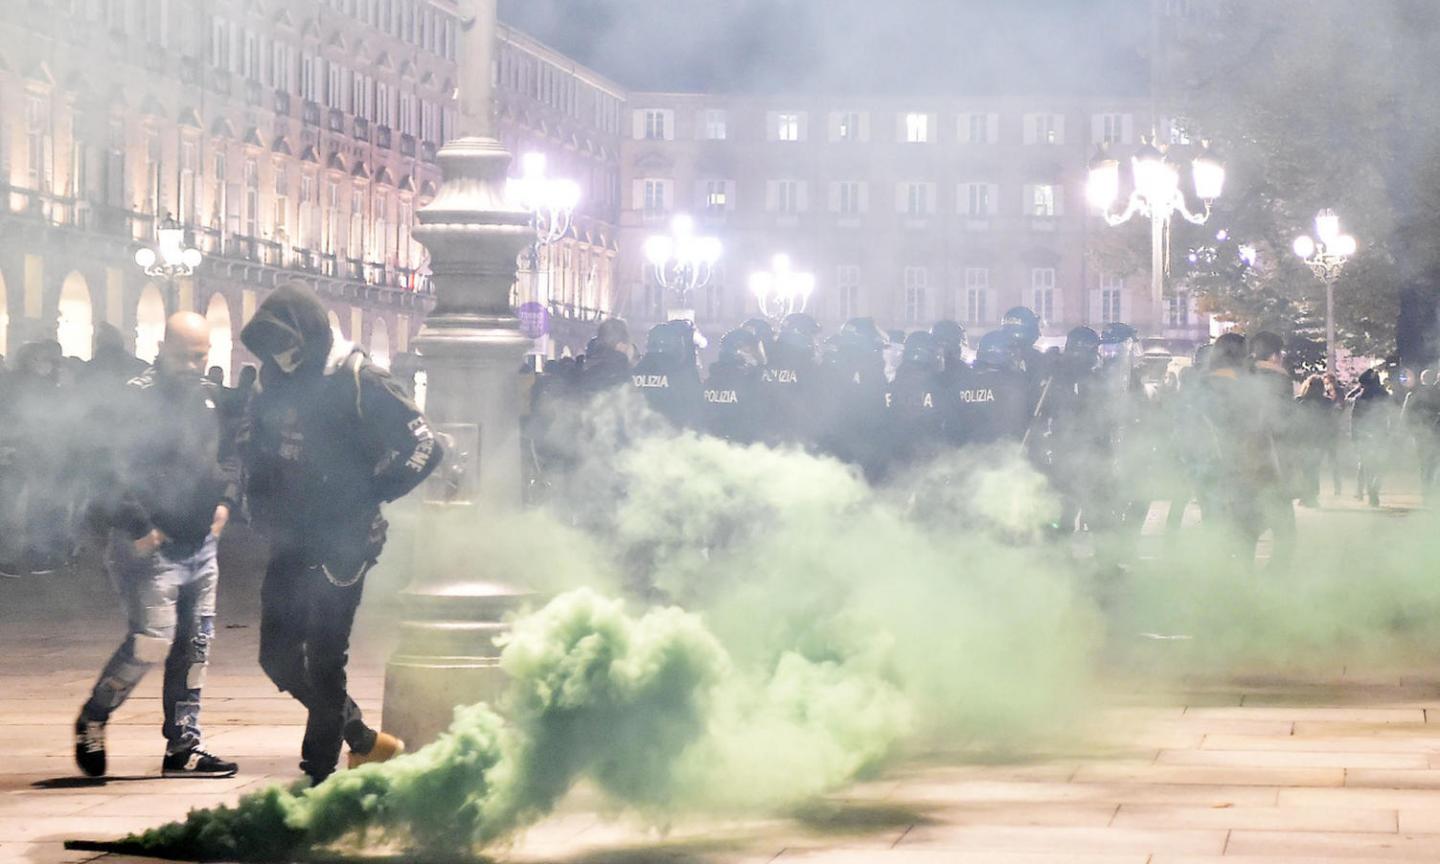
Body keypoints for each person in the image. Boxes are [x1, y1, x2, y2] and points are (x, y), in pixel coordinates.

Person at [238, 282, 443, 785]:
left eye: (287, 346)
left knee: (327, 658)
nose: (282, 358)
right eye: (272, 350)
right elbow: (259, 444)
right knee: (278, 656)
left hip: (346, 538)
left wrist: (374, 492)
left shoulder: (359, 378)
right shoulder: (273, 381)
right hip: (293, 536)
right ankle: (363, 739)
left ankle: (319, 775)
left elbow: (426, 446)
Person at [75, 312, 240, 779]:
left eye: (201, 356)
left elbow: (227, 454)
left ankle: (184, 746)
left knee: (196, 645)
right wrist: (137, 526)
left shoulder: (209, 397)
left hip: (201, 545)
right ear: (162, 347)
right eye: (185, 355)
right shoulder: (135, 399)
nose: (193, 365)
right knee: (152, 642)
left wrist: (226, 500)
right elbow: (105, 465)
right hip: (153, 549)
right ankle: (95, 715)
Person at [631, 320, 704, 431]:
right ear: (676, 344)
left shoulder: (631, 374)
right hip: (671, 443)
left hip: (636, 443)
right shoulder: (681, 376)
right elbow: (696, 415)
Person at [702, 328, 767, 444]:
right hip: (741, 449)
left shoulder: (710, 380)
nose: (755, 354)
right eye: (751, 349)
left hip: (711, 445)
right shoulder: (750, 380)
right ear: (738, 350)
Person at [1349, 368, 1393, 507]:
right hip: (1381, 434)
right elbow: (1391, 416)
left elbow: (1354, 420)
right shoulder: (1385, 396)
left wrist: (1354, 437)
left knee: (1368, 466)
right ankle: (1374, 490)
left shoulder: (1360, 398)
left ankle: (1370, 491)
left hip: (1364, 435)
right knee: (1380, 466)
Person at [1403, 369, 1440, 501]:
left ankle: (1427, 492)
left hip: (1421, 435)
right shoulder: (1437, 394)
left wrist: (1411, 432)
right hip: (1433, 434)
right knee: (1434, 464)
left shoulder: (1413, 394)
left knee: (1425, 465)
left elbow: (1405, 416)